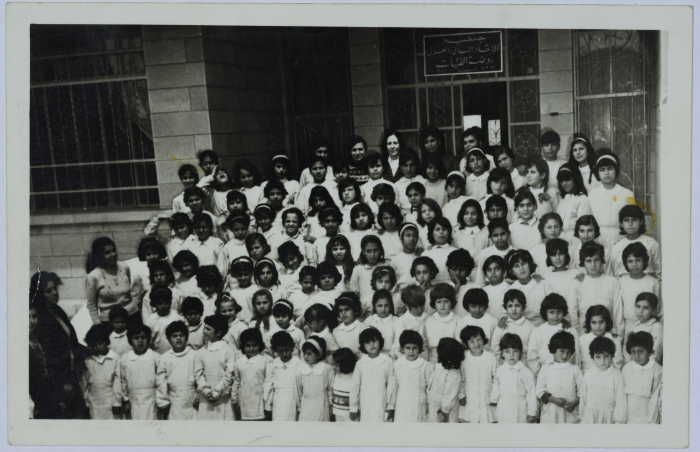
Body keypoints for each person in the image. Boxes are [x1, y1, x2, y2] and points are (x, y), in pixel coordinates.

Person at [30, 271, 88, 419]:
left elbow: (71, 343)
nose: (55, 293)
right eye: (49, 291)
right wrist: (64, 383)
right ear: (39, 294)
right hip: (60, 382)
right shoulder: (41, 319)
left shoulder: (56, 310)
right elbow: (50, 357)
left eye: (55, 288)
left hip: (71, 374)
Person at [568, 242, 624, 336]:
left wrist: (619, 334)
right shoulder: (577, 283)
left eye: (596, 260)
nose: (593, 264)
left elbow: (618, 310)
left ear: (602, 261)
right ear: (583, 263)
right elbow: (572, 311)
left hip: (608, 332)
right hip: (584, 333)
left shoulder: (612, 281)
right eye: (588, 261)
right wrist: (578, 334)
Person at [86, 237, 143, 326]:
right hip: (110, 322)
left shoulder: (124, 267)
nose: (112, 254)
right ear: (99, 255)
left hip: (132, 316)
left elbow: (129, 291)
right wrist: (98, 325)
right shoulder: (93, 276)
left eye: (114, 250)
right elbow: (91, 305)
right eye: (107, 253)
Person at [587, 151, 636, 250]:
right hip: (598, 238)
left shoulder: (627, 194)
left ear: (616, 170)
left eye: (610, 169)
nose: (606, 173)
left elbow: (632, 219)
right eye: (602, 169)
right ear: (597, 173)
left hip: (620, 237)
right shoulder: (592, 195)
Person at [535, 331, 583, 424]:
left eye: (568, 352)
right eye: (562, 351)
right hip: (551, 412)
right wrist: (554, 400)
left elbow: (583, 391)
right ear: (553, 349)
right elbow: (539, 391)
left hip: (570, 412)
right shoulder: (546, 368)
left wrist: (574, 403)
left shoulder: (575, 369)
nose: (565, 355)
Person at [194, 314, 236, 420]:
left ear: (218, 332)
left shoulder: (229, 351)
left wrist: (217, 392)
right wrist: (206, 391)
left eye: (208, 329)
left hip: (223, 397)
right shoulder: (200, 352)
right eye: (204, 328)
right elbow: (198, 375)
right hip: (206, 398)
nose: (204, 331)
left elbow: (229, 374)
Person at [490, 333, 537, 423]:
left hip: (520, 408)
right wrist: (493, 399)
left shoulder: (525, 372)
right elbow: (496, 385)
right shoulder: (500, 370)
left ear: (520, 353)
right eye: (507, 351)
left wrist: (532, 412)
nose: (511, 355)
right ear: (502, 353)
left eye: (515, 351)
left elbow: (531, 393)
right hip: (504, 407)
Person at [387, 330, 434, 422]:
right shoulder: (397, 364)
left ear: (420, 349)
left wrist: (430, 405)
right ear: (401, 349)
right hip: (402, 404)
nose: (411, 351)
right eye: (408, 348)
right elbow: (393, 386)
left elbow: (431, 387)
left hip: (420, 404)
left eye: (414, 348)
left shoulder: (426, 365)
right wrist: (391, 406)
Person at [527, 294, 579, 375]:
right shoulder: (538, 331)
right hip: (546, 374)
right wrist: (538, 375)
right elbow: (532, 358)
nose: (555, 316)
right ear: (545, 312)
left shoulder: (571, 330)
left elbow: (576, 356)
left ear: (564, 312)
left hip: (567, 373)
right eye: (552, 312)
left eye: (559, 312)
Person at [155, 321, 198, 420]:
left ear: (186, 337)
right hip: (174, 401)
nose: (178, 338)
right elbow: (161, 382)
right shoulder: (165, 358)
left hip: (192, 400)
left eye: (181, 335)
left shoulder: (195, 355)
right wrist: (163, 402)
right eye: (174, 336)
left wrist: (198, 395)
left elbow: (200, 376)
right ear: (169, 340)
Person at [579, 336, 627, 424]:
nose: (603, 361)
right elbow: (583, 398)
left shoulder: (616, 375)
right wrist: (582, 415)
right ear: (592, 357)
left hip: (609, 417)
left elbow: (621, 401)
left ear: (612, 356)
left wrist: (618, 421)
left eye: (606, 356)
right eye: (598, 357)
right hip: (591, 416)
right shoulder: (589, 373)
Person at [350, 328, 394, 422]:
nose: (371, 345)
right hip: (365, 401)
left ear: (380, 341)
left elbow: (391, 384)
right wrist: (353, 407)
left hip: (381, 400)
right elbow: (355, 386)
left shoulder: (387, 361)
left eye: (374, 341)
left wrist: (390, 405)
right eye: (367, 342)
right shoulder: (361, 363)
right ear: (363, 345)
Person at [618, 243, 661, 335]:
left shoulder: (653, 282)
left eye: (638, 260)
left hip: (648, 327)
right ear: (625, 263)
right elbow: (618, 309)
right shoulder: (621, 281)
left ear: (644, 261)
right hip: (627, 326)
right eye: (630, 261)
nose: (634, 264)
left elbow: (659, 309)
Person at [81, 325, 122, 420]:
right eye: (93, 345)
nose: (97, 347)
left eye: (100, 343)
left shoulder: (114, 358)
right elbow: (84, 383)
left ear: (106, 342)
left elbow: (117, 382)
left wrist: (116, 403)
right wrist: (86, 402)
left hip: (110, 400)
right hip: (94, 402)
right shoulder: (88, 360)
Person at [120, 323, 160, 420]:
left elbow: (161, 381)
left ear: (149, 339)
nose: (140, 341)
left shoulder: (156, 357)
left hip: (152, 400)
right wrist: (126, 400)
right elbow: (122, 381)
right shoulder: (125, 359)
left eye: (143, 337)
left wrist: (160, 401)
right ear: (130, 341)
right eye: (136, 338)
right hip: (133, 401)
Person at [458, 325, 497, 423]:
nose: (476, 343)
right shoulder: (463, 358)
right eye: (472, 341)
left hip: (487, 399)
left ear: (484, 340)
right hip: (470, 399)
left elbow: (496, 379)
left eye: (479, 339)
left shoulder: (491, 358)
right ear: (466, 344)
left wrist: (494, 396)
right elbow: (460, 378)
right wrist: (461, 394)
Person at [610, 204, 661, 279]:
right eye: (626, 220)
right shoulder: (616, 248)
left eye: (634, 220)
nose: (630, 224)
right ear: (621, 224)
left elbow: (659, 272)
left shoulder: (652, 243)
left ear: (641, 222)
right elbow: (615, 275)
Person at [621, 331, 662, 424]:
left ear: (649, 352)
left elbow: (655, 400)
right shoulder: (626, 368)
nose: (636, 356)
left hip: (646, 416)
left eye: (640, 352)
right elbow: (622, 397)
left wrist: (652, 422)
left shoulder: (657, 370)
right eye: (633, 352)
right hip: (628, 416)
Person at [232, 328, 273, 421]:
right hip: (244, 403)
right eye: (248, 346)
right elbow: (236, 383)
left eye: (254, 345)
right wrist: (235, 401)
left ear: (260, 345)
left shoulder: (266, 360)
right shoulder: (239, 362)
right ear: (243, 346)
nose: (251, 349)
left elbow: (269, 383)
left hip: (260, 403)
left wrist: (267, 405)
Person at [505, 249, 553, 327]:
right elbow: (505, 313)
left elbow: (553, 307)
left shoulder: (543, 284)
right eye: (516, 266)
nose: (521, 268)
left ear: (530, 265)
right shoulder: (511, 290)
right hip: (521, 327)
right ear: (511, 271)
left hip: (543, 325)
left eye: (524, 263)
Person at [491, 289, 535, 366]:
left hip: (523, 367)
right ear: (505, 307)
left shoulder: (531, 328)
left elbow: (532, 353)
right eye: (510, 306)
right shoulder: (501, 326)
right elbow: (495, 350)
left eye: (517, 305)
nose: (514, 309)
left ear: (523, 307)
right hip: (504, 368)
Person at [263, 331, 300, 421]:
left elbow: (300, 387)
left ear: (292, 348)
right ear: (275, 351)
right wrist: (268, 404)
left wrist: (300, 406)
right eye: (280, 351)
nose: (284, 354)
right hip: (278, 401)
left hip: (293, 400)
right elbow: (268, 384)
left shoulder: (298, 363)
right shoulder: (273, 364)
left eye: (287, 350)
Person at [296, 336, 334, 421]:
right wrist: (299, 407)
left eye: (309, 354)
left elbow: (330, 390)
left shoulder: (327, 369)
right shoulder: (301, 369)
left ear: (318, 354)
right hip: (306, 405)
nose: (305, 356)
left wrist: (331, 407)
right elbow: (299, 390)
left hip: (322, 405)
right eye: (305, 353)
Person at [578, 305, 624, 375]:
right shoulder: (581, 340)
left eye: (601, 322)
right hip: (586, 376)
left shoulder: (615, 342)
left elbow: (617, 365)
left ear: (607, 322)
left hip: (608, 376)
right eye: (594, 322)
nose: (598, 326)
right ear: (589, 323)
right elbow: (577, 363)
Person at [427, 337, 463, 423]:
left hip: (445, 411)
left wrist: (445, 411)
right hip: (435, 407)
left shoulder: (453, 373)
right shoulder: (439, 366)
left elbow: (450, 395)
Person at [556, 163, 592, 245]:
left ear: (575, 178)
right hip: (561, 238)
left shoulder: (582, 199)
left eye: (567, 179)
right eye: (561, 181)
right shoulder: (563, 200)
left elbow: (583, 225)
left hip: (575, 239)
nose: (564, 183)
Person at [623, 293, 663, 364]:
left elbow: (656, 353)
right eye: (638, 306)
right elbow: (626, 349)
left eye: (645, 308)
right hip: (632, 366)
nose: (640, 311)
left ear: (653, 310)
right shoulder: (632, 326)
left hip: (649, 367)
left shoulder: (656, 327)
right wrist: (629, 365)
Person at [424, 283, 459, 363]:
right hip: (433, 359)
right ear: (434, 304)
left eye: (446, 301)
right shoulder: (429, 320)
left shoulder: (457, 320)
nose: (442, 305)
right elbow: (426, 343)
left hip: (452, 358)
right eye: (439, 302)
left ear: (452, 303)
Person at [475, 219, 515, 287]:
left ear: (508, 234)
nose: (500, 238)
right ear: (490, 237)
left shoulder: (515, 253)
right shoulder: (485, 253)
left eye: (503, 234)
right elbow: (480, 280)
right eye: (495, 235)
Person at [363, 290, 402, 358]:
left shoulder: (396, 321)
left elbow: (397, 341)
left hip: (392, 355)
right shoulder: (369, 321)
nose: (383, 309)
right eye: (380, 306)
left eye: (386, 305)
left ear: (391, 306)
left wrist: (391, 354)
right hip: (373, 355)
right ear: (374, 306)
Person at [421, 217, 457, 284]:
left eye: (444, 229)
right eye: (437, 229)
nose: (441, 232)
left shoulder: (455, 252)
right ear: (431, 232)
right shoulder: (426, 254)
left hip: (452, 287)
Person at [332, 293, 368, 357]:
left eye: (347, 309)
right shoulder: (336, 331)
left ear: (355, 311)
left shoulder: (362, 329)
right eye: (340, 311)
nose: (343, 313)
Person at [394, 150, 427, 217]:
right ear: (400, 167)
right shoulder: (397, 185)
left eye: (412, 165)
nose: (409, 169)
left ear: (417, 166)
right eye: (405, 165)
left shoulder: (424, 182)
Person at [331, 348, 356, 422]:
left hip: (350, 414)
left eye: (336, 365)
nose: (334, 367)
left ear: (344, 364)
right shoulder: (336, 376)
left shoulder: (354, 377)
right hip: (338, 412)